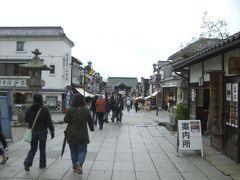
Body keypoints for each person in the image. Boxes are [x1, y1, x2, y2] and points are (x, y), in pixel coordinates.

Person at [64, 94, 94, 174]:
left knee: (73, 151)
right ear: (82, 100)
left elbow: (65, 120)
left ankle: (74, 166)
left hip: (72, 134)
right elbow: (90, 121)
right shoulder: (85, 109)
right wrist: (92, 128)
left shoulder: (70, 109)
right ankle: (79, 163)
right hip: (83, 134)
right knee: (82, 150)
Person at [24, 94, 55, 172]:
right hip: (42, 132)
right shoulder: (44, 109)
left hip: (33, 132)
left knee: (33, 148)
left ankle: (28, 161)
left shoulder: (30, 109)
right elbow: (49, 122)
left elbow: (26, 119)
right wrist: (52, 131)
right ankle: (42, 164)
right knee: (42, 148)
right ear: (41, 100)